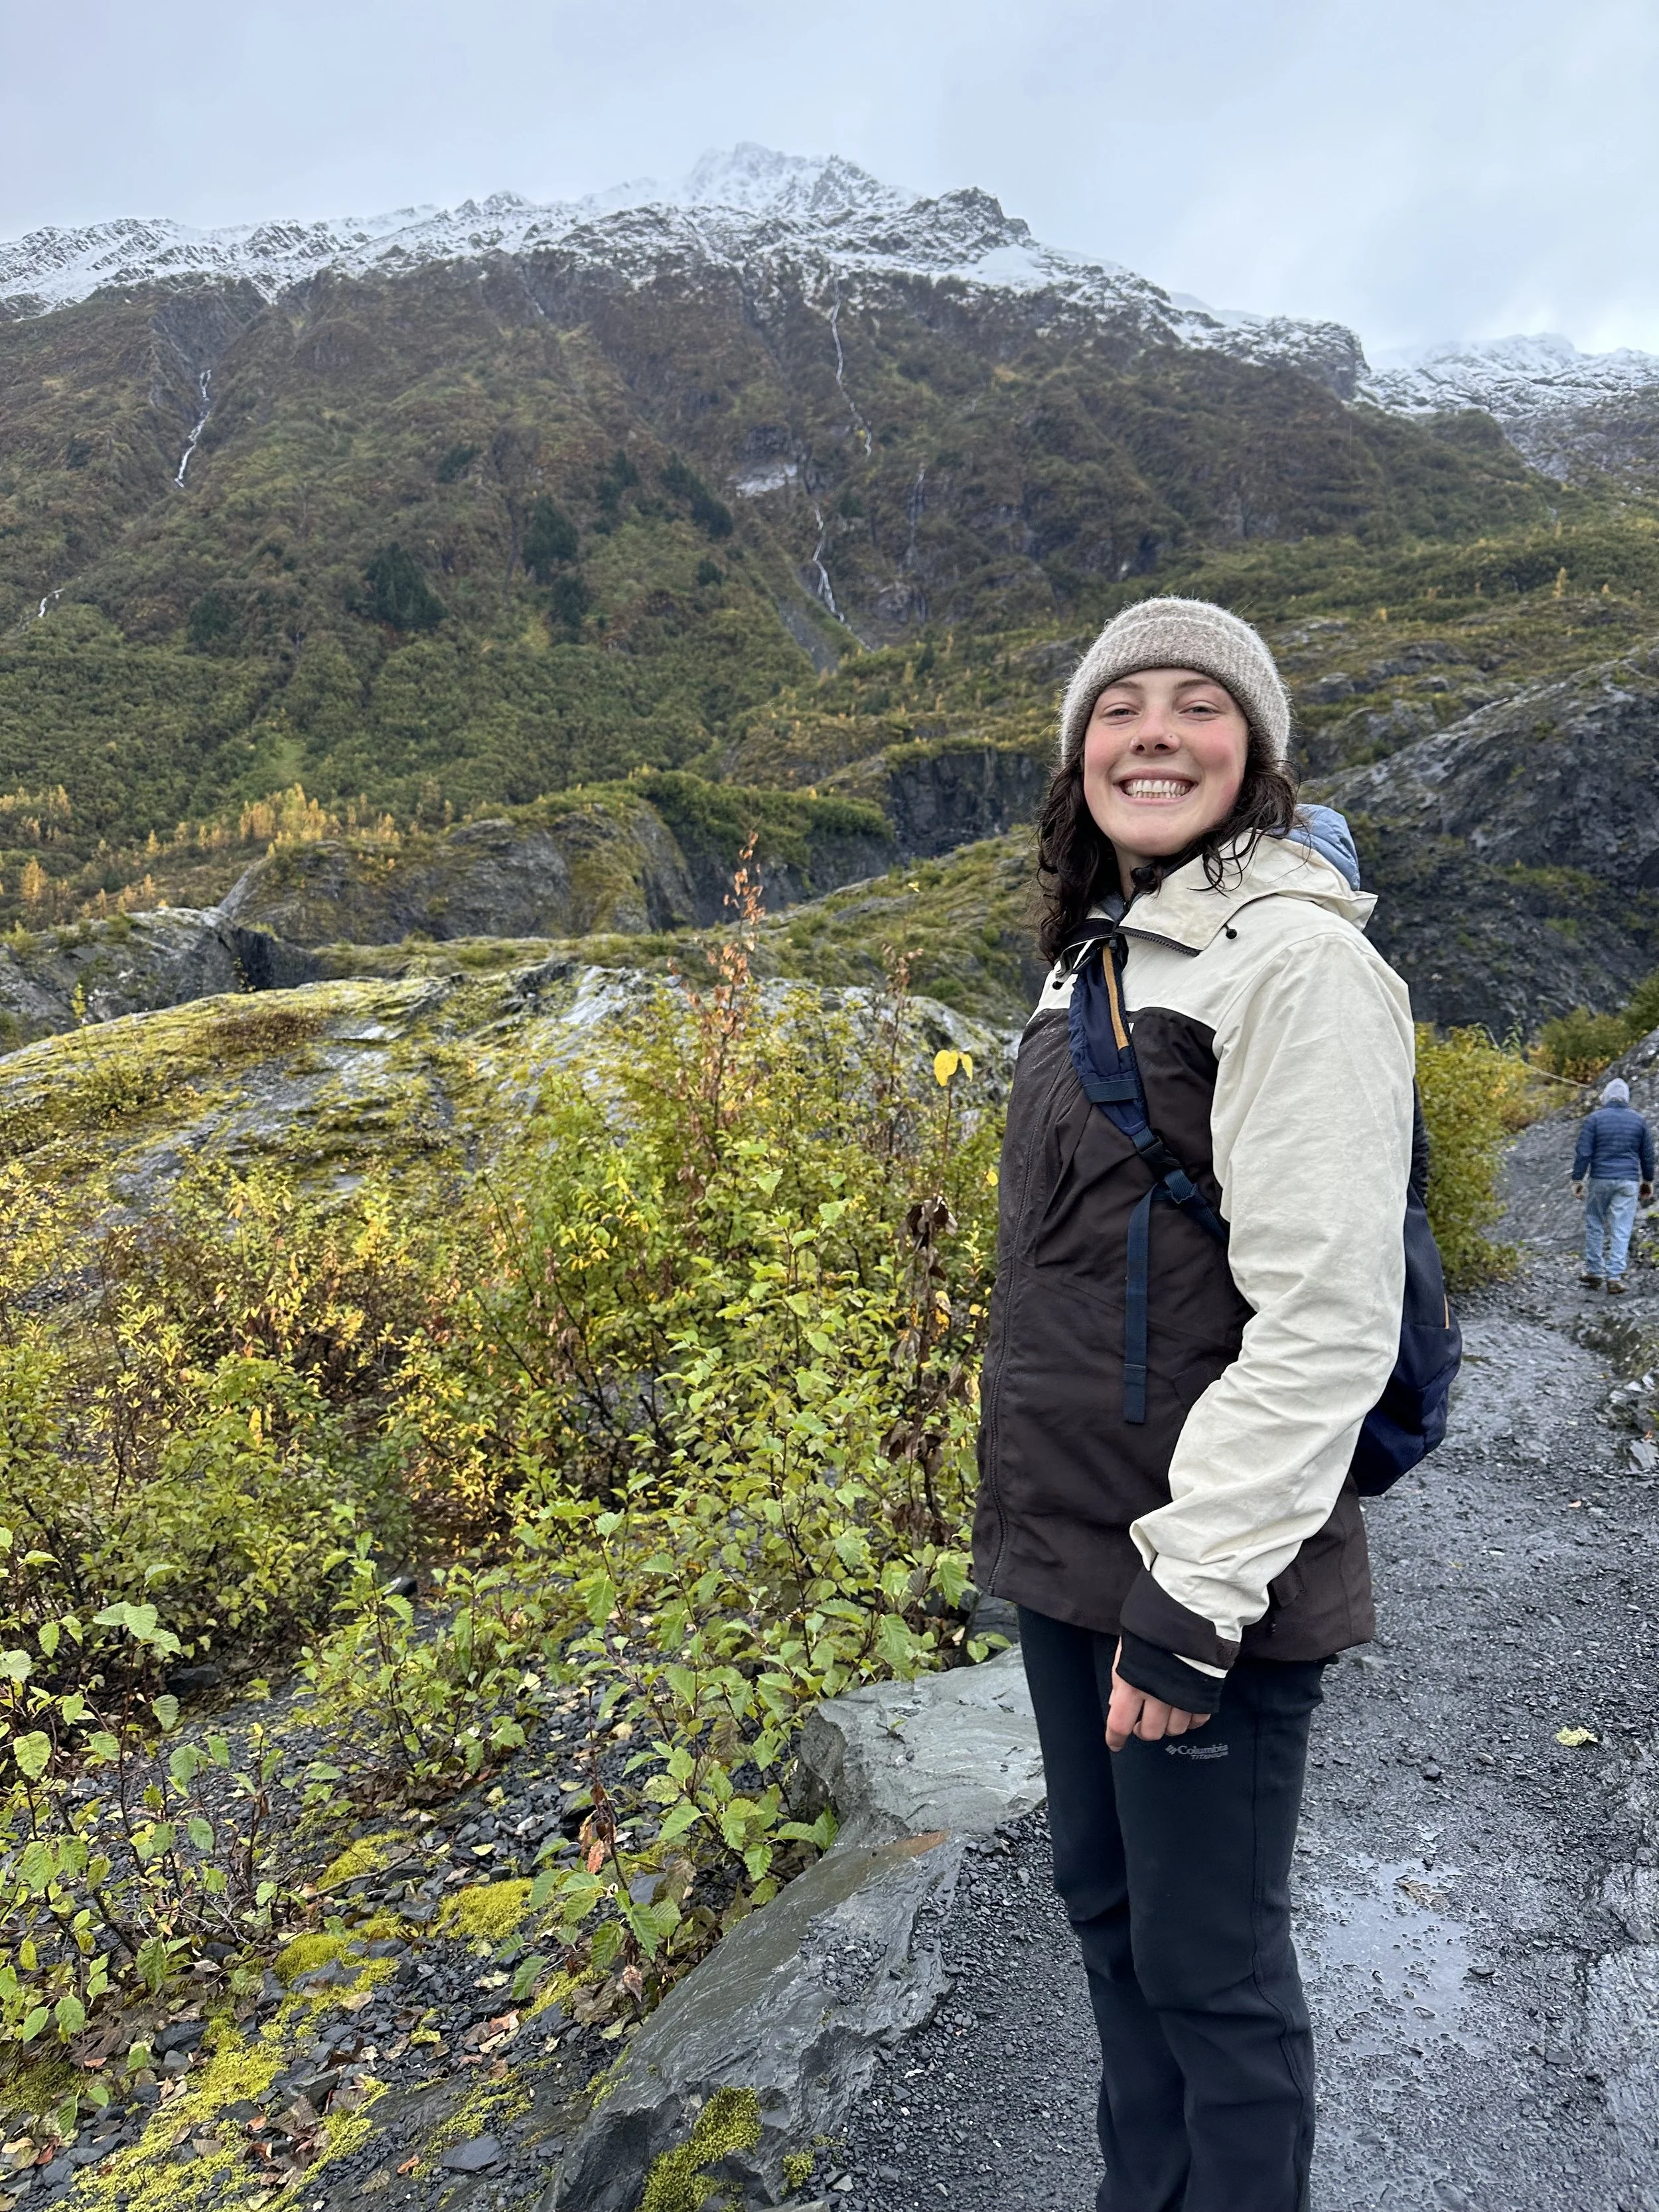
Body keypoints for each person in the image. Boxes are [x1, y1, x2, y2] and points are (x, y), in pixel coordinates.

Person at [972, 597, 1415, 2212]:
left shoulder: (1298, 962)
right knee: (1114, 1941)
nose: (1152, 732)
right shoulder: (1095, 966)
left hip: (1195, 1575)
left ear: (1260, 757)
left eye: (1198, 705)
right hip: (1070, 1554)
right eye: (1119, 706)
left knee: (1212, 1983)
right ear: (1077, 755)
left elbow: (1324, 1320)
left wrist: (1195, 1597)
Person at [1572, 1074, 1653, 1293]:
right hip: (1628, 1180)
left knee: (1595, 1222)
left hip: (1600, 1178)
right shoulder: (1639, 1120)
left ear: (1606, 1097)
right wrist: (1648, 1181)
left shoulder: (1595, 1119)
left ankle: (1594, 1272)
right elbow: (1647, 1155)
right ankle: (1615, 1276)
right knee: (1622, 1227)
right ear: (1627, 1098)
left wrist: (1578, 1179)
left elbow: (1584, 1152)